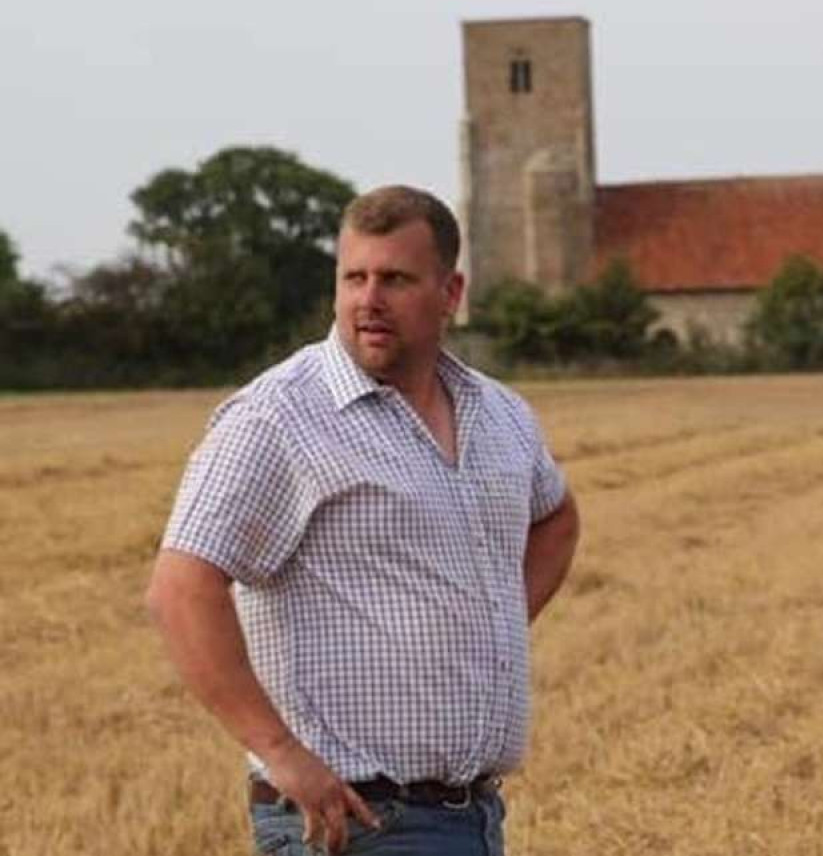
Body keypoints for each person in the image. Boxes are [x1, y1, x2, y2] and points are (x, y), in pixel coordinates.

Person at [146, 184, 580, 856]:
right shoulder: (278, 417)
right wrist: (279, 751)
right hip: (352, 826)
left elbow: (555, 519)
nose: (368, 300)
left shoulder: (499, 413)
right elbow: (180, 589)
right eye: (354, 277)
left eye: (396, 279)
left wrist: (486, 624)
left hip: (473, 820)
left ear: (451, 292)